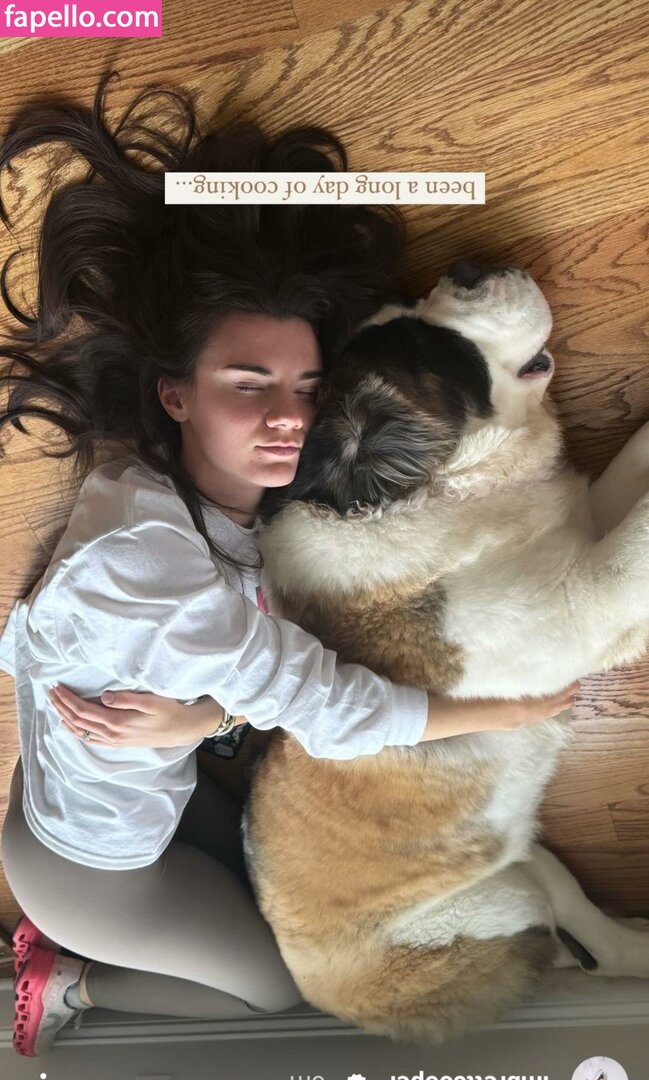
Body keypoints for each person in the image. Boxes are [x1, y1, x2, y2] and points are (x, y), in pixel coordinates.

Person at [0, 71, 580, 1059]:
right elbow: (336, 710)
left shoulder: (145, 484)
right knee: (274, 994)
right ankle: (70, 981)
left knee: (272, 847)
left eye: (307, 386)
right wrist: (510, 711)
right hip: (91, 873)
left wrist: (202, 714)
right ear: (175, 395)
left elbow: (246, 671)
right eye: (248, 383)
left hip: (80, 786)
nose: (286, 418)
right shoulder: (155, 571)